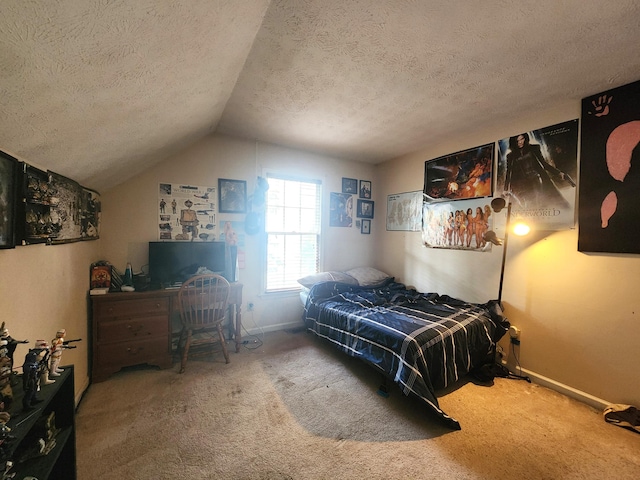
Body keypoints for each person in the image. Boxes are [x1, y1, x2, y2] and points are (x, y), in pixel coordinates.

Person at [504, 133, 573, 209]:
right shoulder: (510, 156)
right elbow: (509, 172)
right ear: (513, 142)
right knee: (530, 204)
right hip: (524, 183)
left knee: (540, 201)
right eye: (517, 140)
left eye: (522, 139)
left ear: (525, 138)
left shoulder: (534, 148)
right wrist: (505, 189)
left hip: (537, 179)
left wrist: (559, 173)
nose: (520, 142)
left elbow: (544, 164)